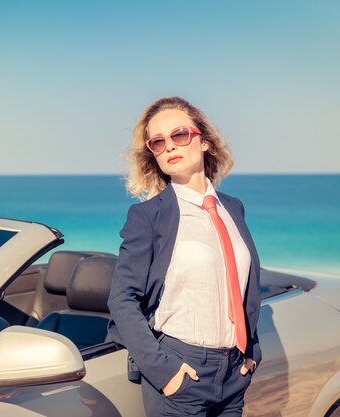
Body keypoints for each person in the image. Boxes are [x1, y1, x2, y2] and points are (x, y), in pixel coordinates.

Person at [107, 96, 262, 417]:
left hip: (234, 373)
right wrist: (165, 373)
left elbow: (243, 284)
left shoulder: (233, 208)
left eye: (179, 135)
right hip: (181, 370)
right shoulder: (148, 216)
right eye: (157, 142)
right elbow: (122, 300)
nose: (169, 147)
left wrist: (251, 351)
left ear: (203, 140)